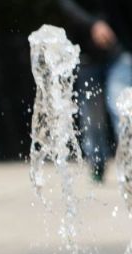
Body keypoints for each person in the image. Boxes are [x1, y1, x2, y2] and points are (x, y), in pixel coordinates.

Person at [59, 0, 120, 182]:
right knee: (92, 115)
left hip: (118, 54)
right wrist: (93, 23)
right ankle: (97, 162)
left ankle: (128, 159)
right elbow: (67, 6)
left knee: (121, 107)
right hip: (86, 57)